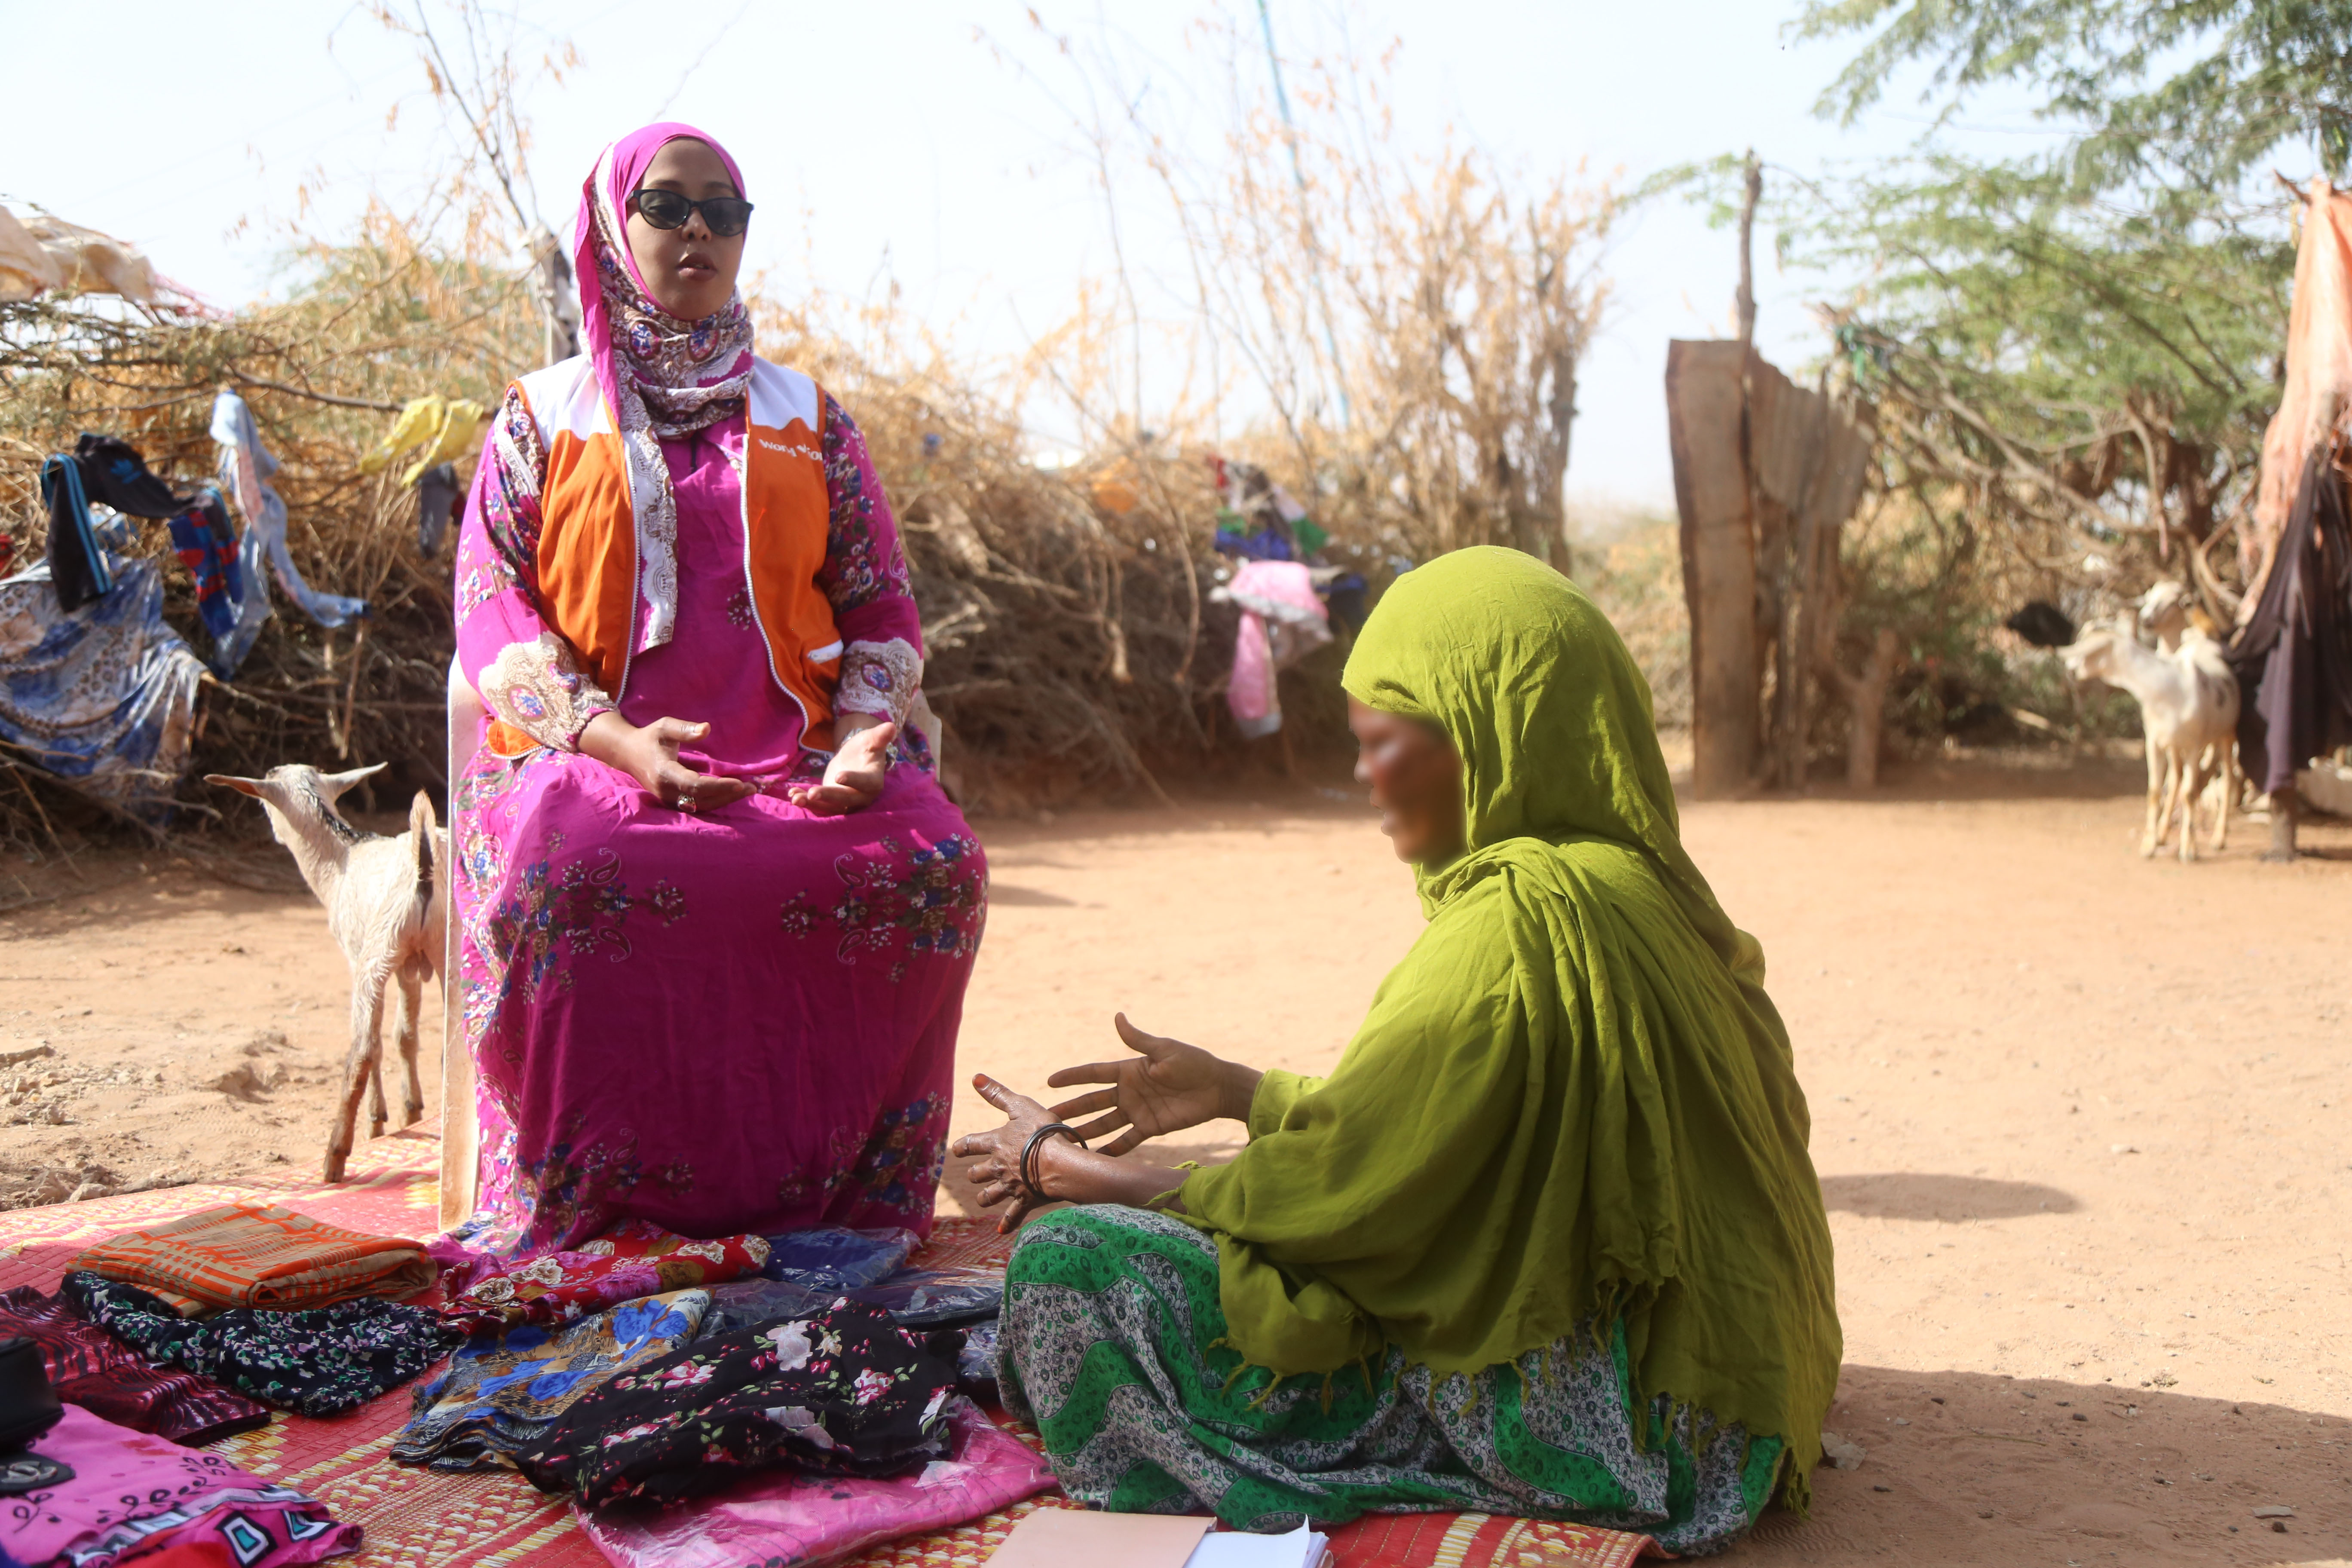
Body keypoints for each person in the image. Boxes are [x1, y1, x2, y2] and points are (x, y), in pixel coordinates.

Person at [954, 547, 1840, 1550]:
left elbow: (1348, 1197)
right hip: (1733, 1408)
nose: (1366, 776)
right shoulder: (1653, 898)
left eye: (1386, 742)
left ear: (1485, 741)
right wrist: (1242, 1091)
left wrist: (1069, 1169)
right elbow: (1453, 1127)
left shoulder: (1514, 924)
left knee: (1070, 1263)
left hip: (1613, 1429)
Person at [444, 122, 985, 1265]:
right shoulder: (539, 419)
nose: (699, 231)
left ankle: (851, 1201)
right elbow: (493, 608)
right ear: (611, 231)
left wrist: (862, 737)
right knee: (576, 874)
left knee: (936, 865)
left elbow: (878, 603)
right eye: (668, 207)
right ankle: (588, 1198)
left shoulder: (810, 418)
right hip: (591, 765)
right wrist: (614, 743)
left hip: (794, 761)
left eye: (724, 212)